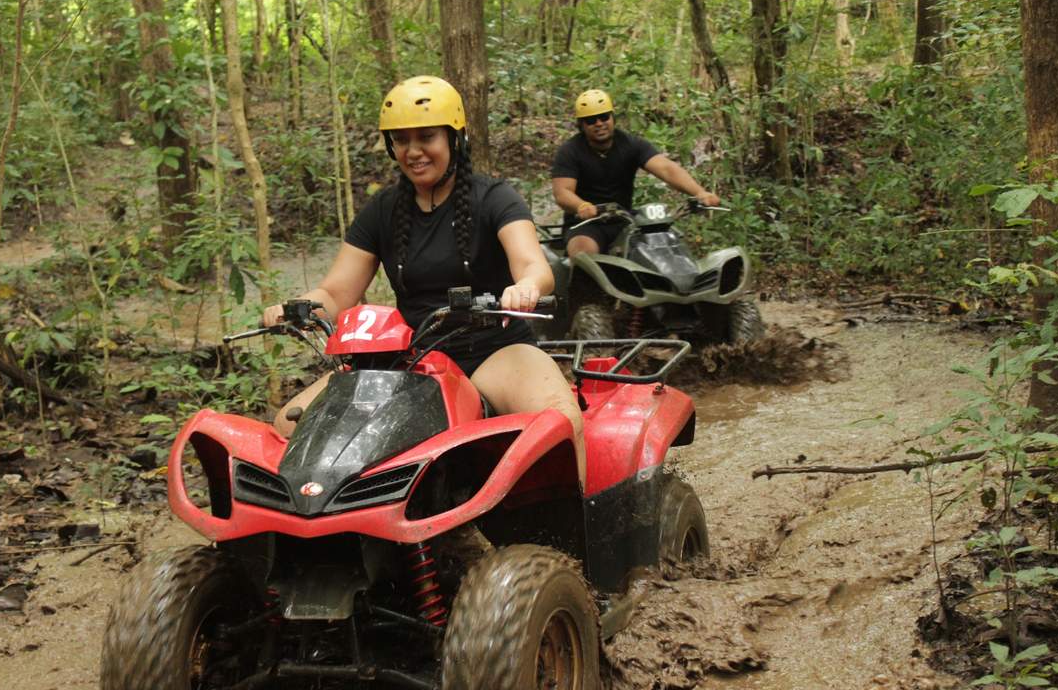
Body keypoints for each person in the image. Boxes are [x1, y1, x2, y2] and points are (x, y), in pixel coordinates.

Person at [262, 76, 587, 487]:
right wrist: (295, 307)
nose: (413, 152)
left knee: (560, 417)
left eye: (426, 137)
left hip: (492, 349)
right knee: (291, 424)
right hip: (409, 361)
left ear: (455, 139)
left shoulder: (495, 197)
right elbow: (336, 293)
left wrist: (525, 287)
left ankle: (577, 542)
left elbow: (533, 266)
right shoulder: (382, 210)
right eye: (401, 140)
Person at [551, 89, 720, 258]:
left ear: (612, 117)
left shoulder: (630, 144)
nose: (599, 123)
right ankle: (583, 283)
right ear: (581, 125)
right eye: (590, 120)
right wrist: (581, 206)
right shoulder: (570, 151)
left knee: (668, 243)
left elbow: (666, 169)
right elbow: (562, 192)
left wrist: (699, 192)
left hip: (626, 221)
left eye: (604, 117)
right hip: (586, 224)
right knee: (583, 255)